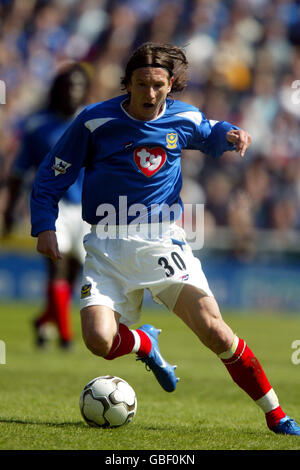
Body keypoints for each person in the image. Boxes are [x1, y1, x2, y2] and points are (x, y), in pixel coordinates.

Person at [30, 42, 300, 435]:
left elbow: (210, 132)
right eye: (142, 84)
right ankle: (144, 343)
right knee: (98, 341)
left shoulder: (183, 117)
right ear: (128, 84)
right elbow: (53, 173)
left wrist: (232, 135)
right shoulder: (94, 121)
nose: (150, 93)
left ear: (170, 84)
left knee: (215, 329)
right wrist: (44, 225)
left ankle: (276, 414)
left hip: (161, 242)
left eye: (158, 84)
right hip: (106, 245)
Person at [3, 62, 91, 349]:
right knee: (56, 269)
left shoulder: (90, 123)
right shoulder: (37, 126)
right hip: (52, 207)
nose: (73, 92)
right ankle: (65, 338)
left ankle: (44, 321)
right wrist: (8, 212)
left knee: (72, 276)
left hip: (86, 209)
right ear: (58, 90)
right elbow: (18, 172)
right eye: (68, 86)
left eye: (79, 87)